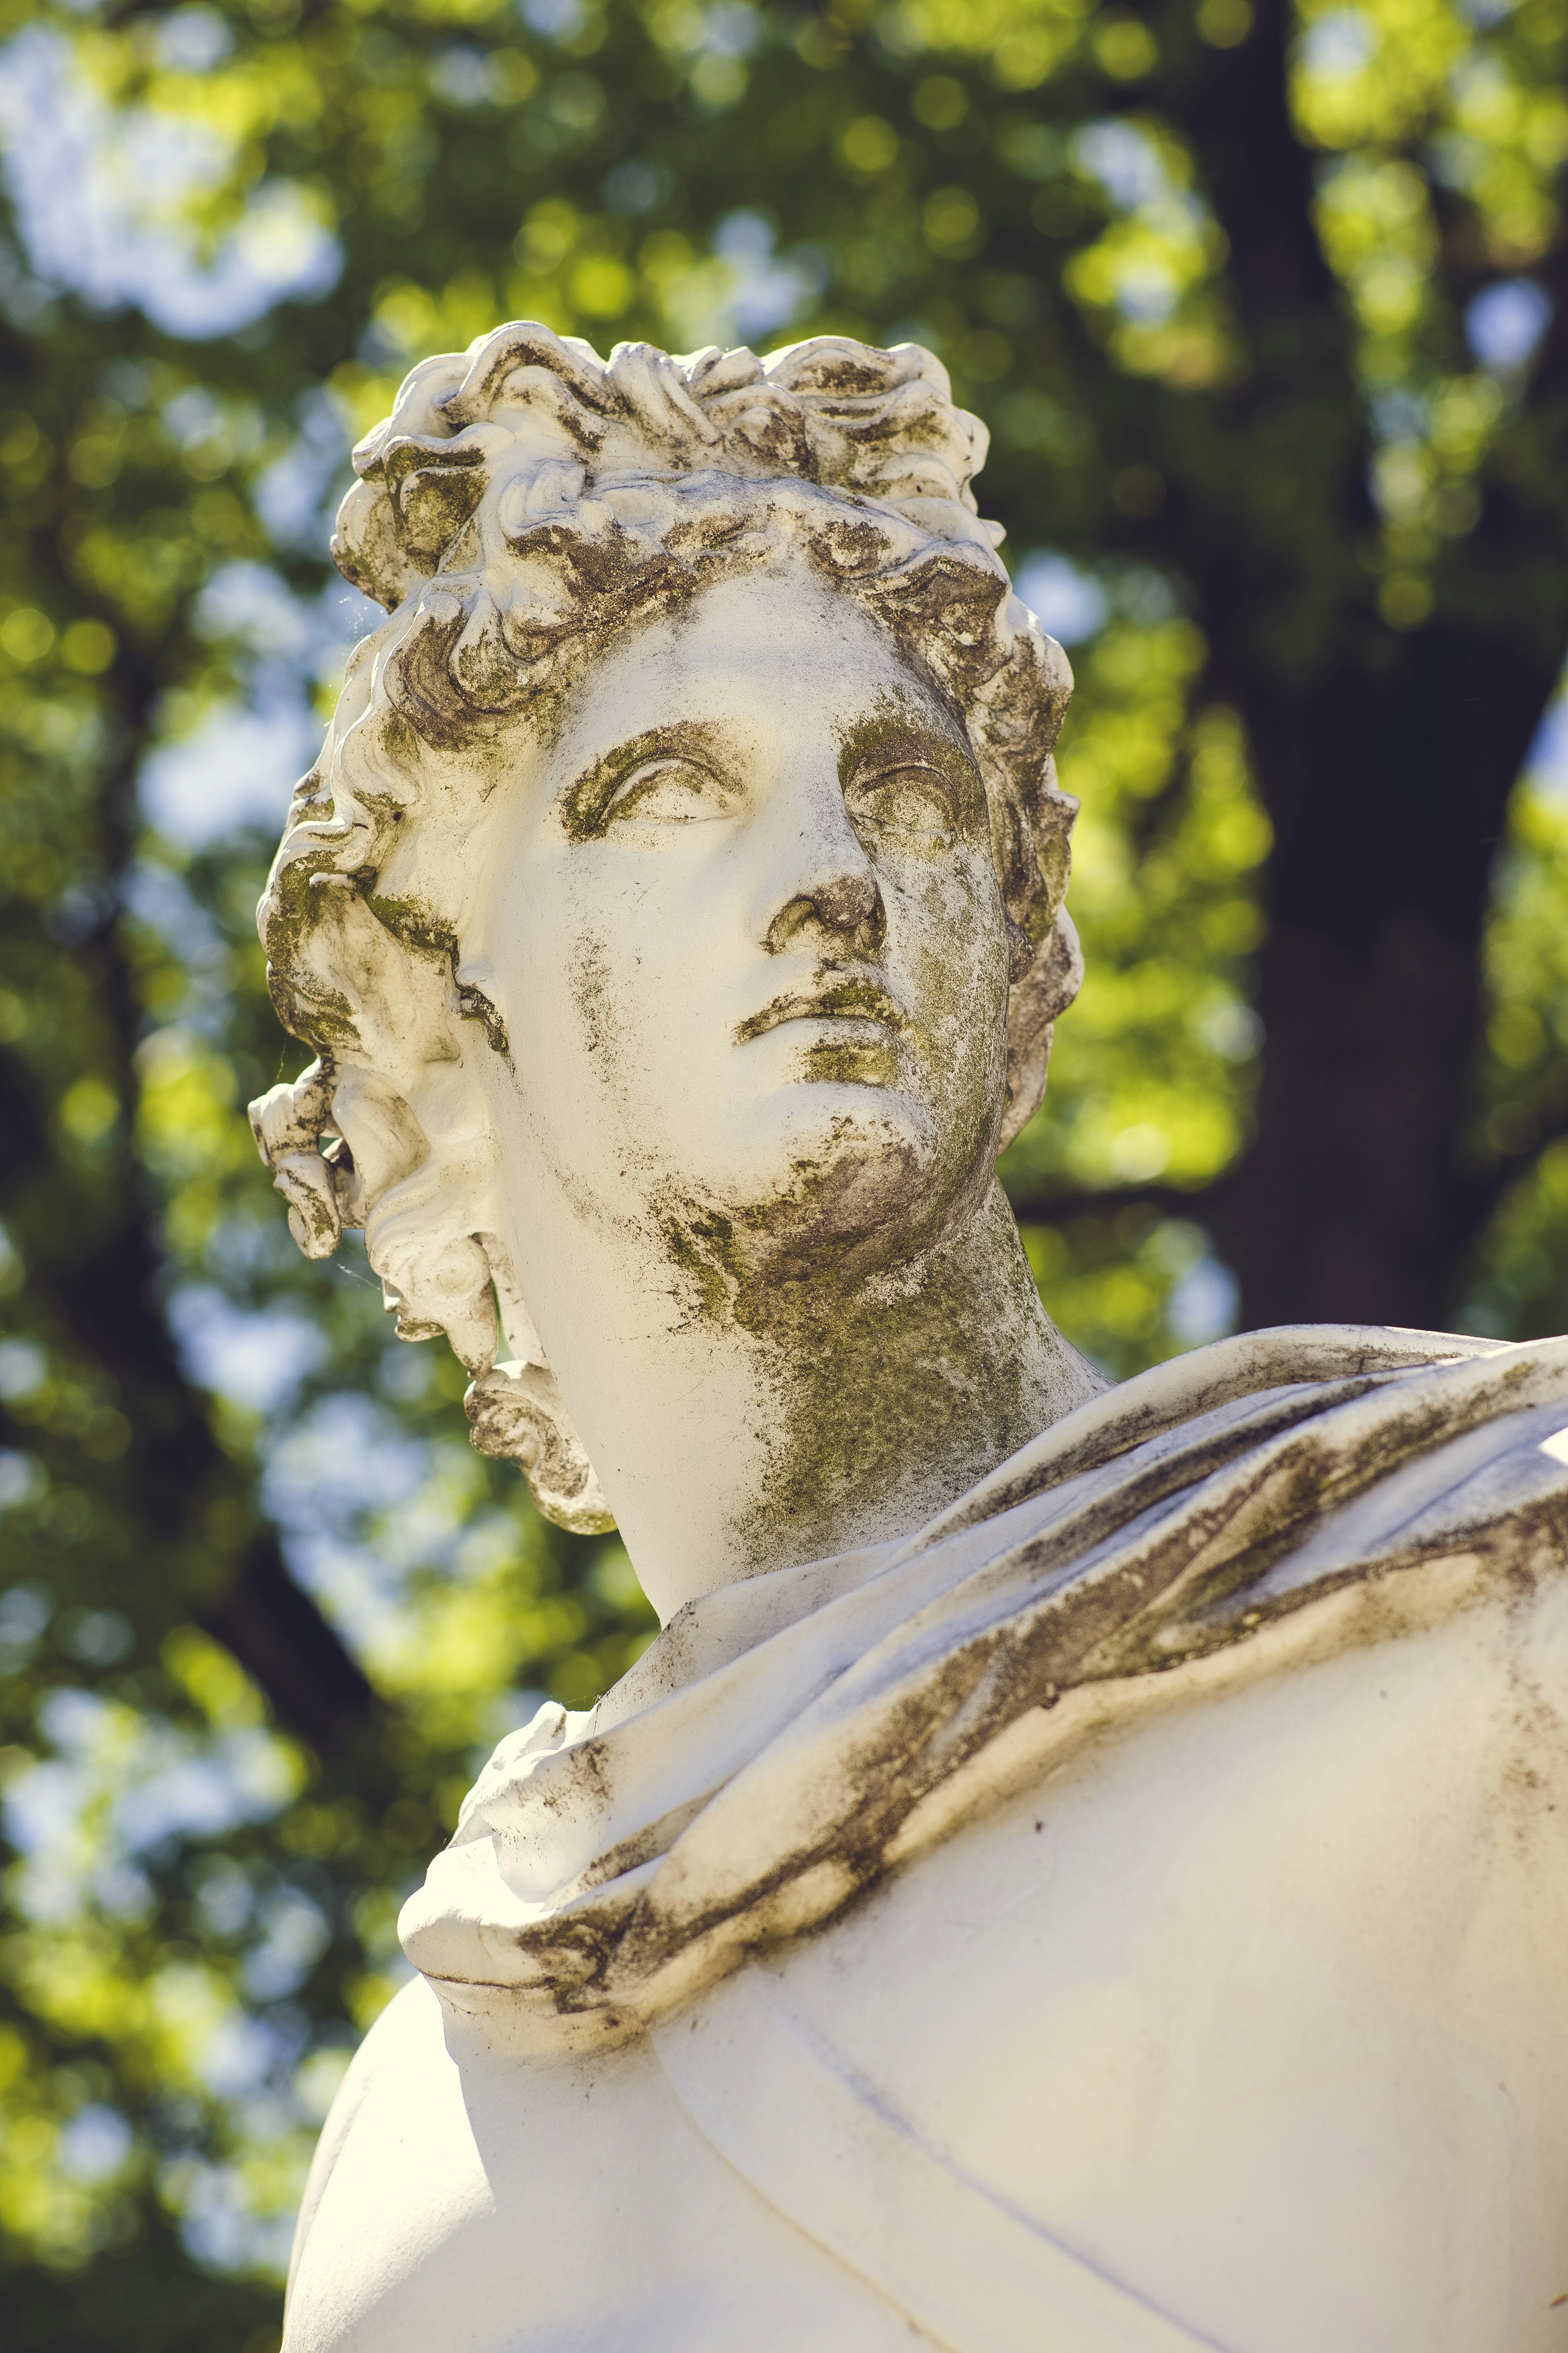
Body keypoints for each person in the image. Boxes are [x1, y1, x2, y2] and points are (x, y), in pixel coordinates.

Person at [251, 325, 1568, 2353]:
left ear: (1021, 977)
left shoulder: (1477, 1600)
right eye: (669, 793)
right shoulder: (424, 2115)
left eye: (910, 795)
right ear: (436, 1005)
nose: (833, 886)